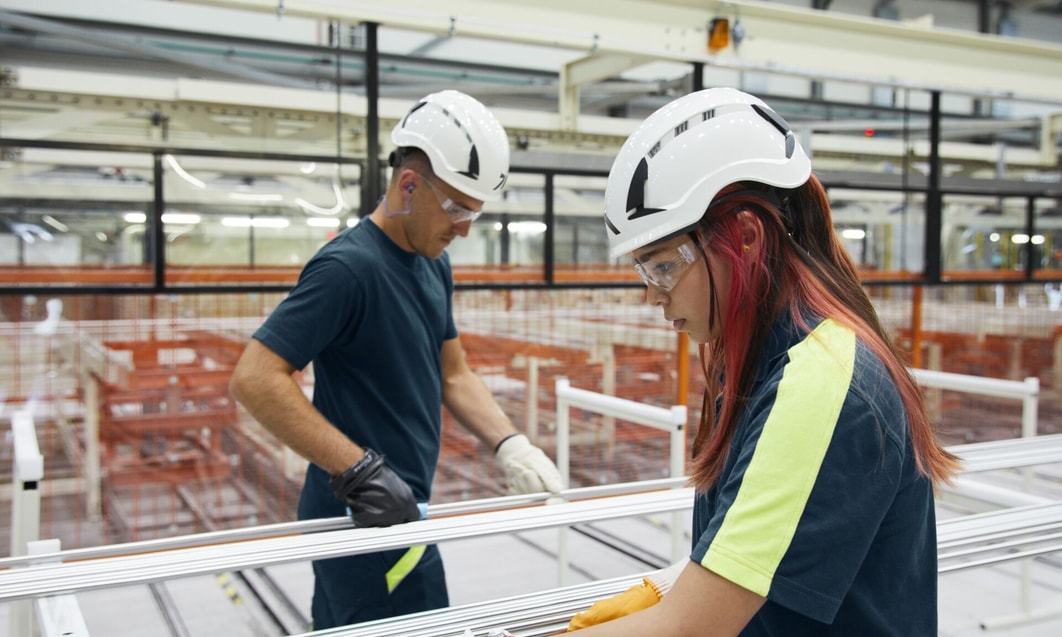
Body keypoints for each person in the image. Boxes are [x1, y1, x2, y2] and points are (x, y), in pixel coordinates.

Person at [566, 87, 960, 635]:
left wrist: (674, 609)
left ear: (746, 238)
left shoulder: (824, 382)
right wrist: (666, 588)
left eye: (661, 267)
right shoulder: (759, 357)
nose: (654, 295)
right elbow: (761, 542)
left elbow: (692, 629)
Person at [228, 89, 563, 630]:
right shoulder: (347, 268)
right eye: (456, 208)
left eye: (474, 212)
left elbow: (453, 374)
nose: (464, 229)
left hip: (399, 507)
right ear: (409, 186)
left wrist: (512, 444)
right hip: (363, 515)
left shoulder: (433, 263)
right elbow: (256, 379)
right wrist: (358, 468)